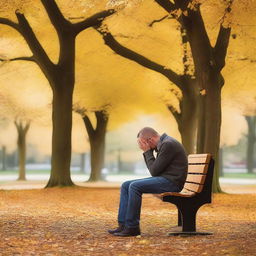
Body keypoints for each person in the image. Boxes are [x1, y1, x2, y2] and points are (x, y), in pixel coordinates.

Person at [108, 127, 188, 237]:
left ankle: (132, 227)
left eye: (143, 143)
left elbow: (154, 171)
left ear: (149, 140)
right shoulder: (164, 143)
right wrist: (148, 152)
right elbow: (155, 170)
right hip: (166, 179)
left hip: (172, 182)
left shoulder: (168, 144)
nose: (143, 147)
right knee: (126, 185)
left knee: (135, 186)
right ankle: (123, 224)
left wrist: (147, 152)